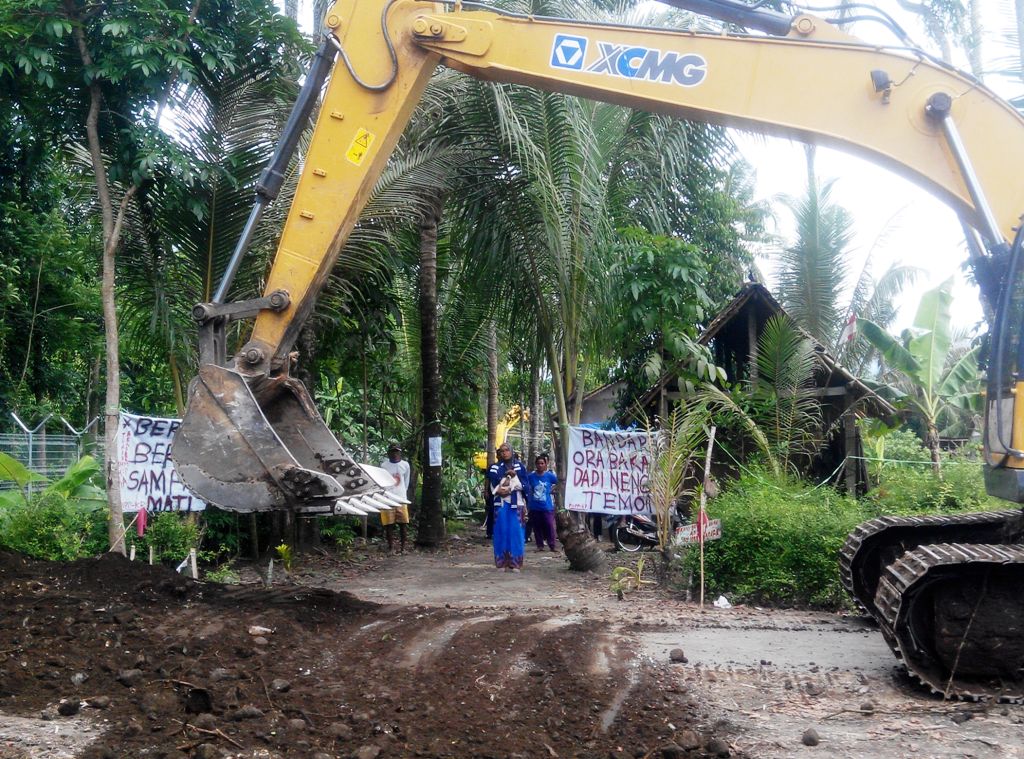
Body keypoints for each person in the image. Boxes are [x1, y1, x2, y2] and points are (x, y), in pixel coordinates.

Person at [487, 444, 528, 571]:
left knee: (516, 532)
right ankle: (501, 562)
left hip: (517, 504)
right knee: (501, 531)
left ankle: (515, 563)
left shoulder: (519, 467)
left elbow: (525, 485)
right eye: (502, 451)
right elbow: (491, 486)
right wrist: (498, 491)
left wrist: (514, 479)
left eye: (507, 450)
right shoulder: (494, 468)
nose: (504, 453)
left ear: (512, 452)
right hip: (500, 503)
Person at [379, 443, 411, 553]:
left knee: (403, 524)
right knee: (389, 524)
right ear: (388, 453)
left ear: (400, 452)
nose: (395, 453)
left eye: (396, 451)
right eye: (392, 451)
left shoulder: (405, 465)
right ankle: (391, 548)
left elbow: (406, 481)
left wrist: (402, 493)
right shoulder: (384, 466)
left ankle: (403, 548)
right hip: (387, 498)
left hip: (401, 498)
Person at [526, 454, 558, 552]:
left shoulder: (549, 476)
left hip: (547, 507)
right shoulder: (531, 476)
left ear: (545, 465)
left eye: (542, 463)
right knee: (537, 527)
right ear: (536, 464)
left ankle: (552, 545)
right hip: (534, 507)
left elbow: (559, 482)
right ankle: (540, 545)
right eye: (538, 463)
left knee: (549, 525)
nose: (540, 465)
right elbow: (525, 486)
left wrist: (552, 489)